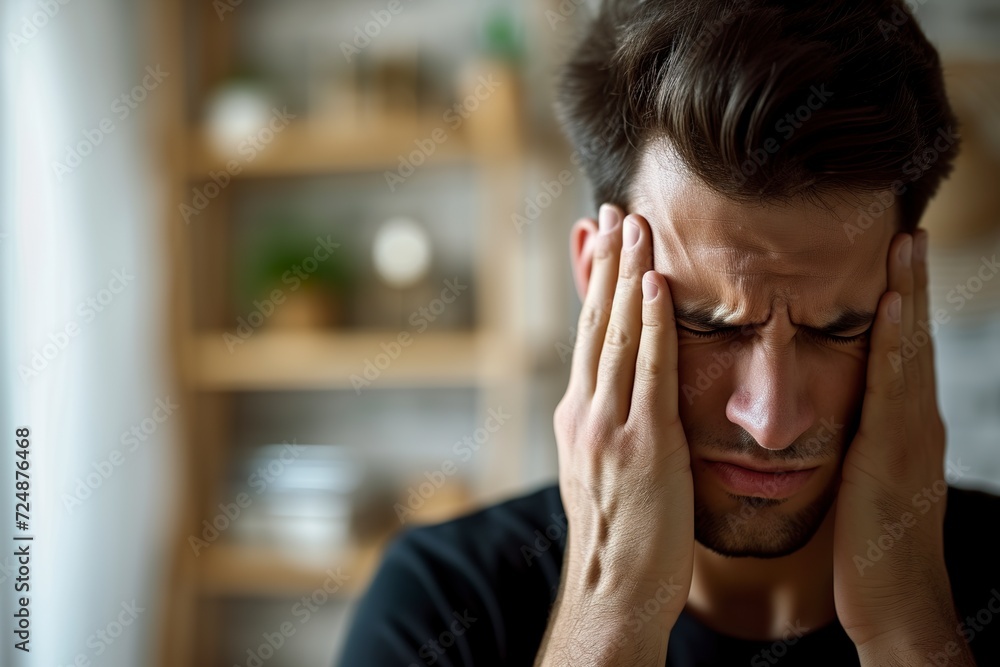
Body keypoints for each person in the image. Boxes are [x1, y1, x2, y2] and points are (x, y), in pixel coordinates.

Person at [337, 1, 1000, 665]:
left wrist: (911, 629)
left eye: (837, 330)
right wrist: (611, 606)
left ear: (907, 295)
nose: (772, 422)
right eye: (706, 323)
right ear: (598, 278)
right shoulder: (438, 603)